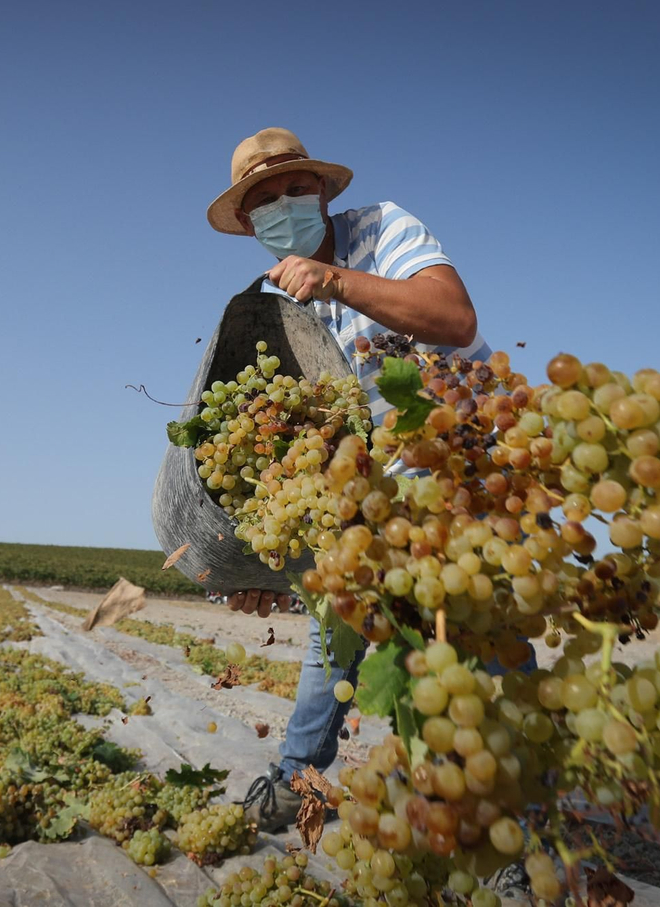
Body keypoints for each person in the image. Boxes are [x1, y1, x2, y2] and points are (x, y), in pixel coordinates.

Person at [204, 129, 489, 831]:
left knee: (480, 646)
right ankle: (294, 778)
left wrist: (334, 279)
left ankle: (512, 825)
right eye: (264, 200)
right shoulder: (272, 313)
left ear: (324, 191)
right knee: (332, 633)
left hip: (465, 467)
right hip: (377, 496)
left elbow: (454, 319)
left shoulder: (383, 229)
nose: (284, 204)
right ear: (247, 224)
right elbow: (294, 463)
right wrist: (262, 563)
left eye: (296, 188)